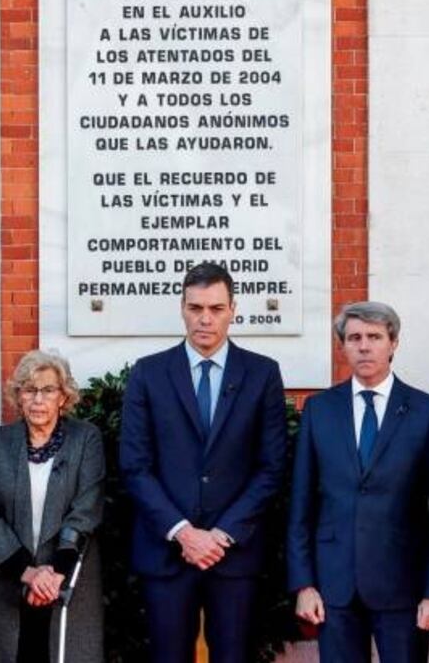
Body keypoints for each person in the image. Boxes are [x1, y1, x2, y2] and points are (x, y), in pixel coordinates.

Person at [119, 262, 288, 663]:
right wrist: (183, 533)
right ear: (182, 308)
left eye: (215, 308)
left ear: (233, 309)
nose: (205, 319)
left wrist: (221, 534)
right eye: (195, 308)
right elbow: (135, 465)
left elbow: (271, 466)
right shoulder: (148, 373)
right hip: (166, 551)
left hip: (234, 554)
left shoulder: (262, 374)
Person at [286, 301, 429, 662]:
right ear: (343, 346)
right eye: (355, 338)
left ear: (393, 343)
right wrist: (304, 584)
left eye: (375, 337)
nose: (364, 346)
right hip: (334, 587)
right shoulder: (319, 410)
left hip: (405, 588)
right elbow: (301, 505)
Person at [0, 350, 105, 663]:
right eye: (29, 390)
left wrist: (53, 573)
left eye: (48, 390)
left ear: (63, 396)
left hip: (67, 579)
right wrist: (27, 573)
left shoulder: (86, 439)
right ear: (17, 396)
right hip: (7, 580)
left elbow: (87, 507)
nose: (37, 399)